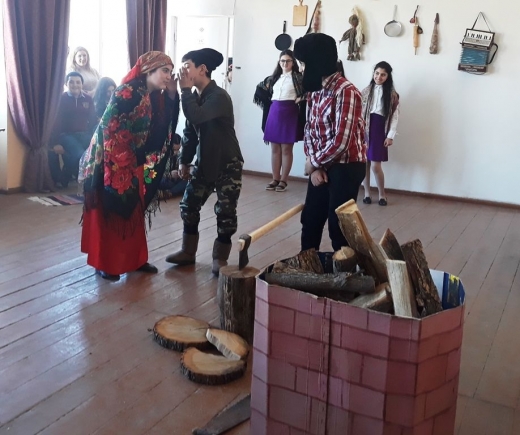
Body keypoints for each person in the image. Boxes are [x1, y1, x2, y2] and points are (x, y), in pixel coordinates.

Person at [80, 51, 180, 281]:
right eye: (165, 71)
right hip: (110, 162)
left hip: (131, 161)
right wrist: (122, 163)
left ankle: (134, 260)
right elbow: (109, 128)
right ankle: (105, 263)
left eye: (170, 72)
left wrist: (172, 94)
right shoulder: (127, 91)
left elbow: (161, 128)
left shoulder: (152, 95)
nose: (169, 76)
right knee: (110, 211)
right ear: (149, 70)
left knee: (134, 210)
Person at [165, 48, 243, 276]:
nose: (182, 72)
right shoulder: (195, 97)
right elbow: (190, 132)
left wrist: (184, 91)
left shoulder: (219, 96)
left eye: (186, 66)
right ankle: (188, 252)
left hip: (228, 163)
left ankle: (220, 258)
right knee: (189, 204)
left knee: (226, 211)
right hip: (205, 161)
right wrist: (184, 161)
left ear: (202, 69)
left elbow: (196, 116)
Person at [294, 33, 367, 252]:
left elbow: (341, 142)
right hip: (321, 162)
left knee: (339, 227)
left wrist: (313, 163)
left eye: (304, 64)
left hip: (346, 166)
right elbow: (310, 129)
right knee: (310, 219)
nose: (301, 69)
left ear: (316, 62)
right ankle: (308, 264)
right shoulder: (315, 90)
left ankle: (343, 269)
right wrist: (314, 164)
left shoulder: (347, 92)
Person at [254, 50, 305, 192]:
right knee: (274, 148)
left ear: (293, 62)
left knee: (286, 149)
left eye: (288, 61)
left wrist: (301, 98)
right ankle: (275, 178)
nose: (285, 63)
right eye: (282, 61)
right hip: (274, 112)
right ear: (279, 62)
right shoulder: (273, 78)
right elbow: (261, 89)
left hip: (289, 112)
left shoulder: (299, 78)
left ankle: (284, 180)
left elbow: (310, 90)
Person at [49, 72, 98, 187]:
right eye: (71, 82)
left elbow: (92, 119)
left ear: (82, 84)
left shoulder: (88, 99)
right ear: (66, 84)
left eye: (78, 82)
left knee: (95, 153)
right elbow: (56, 122)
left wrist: (95, 136)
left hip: (84, 134)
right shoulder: (61, 99)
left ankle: (67, 173)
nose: (75, 85)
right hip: (66, 135)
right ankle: (68, 174)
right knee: (80, 155)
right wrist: (55, 142)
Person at [361, 61, 399, 206]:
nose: (379, 77)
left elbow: (395, 116)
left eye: (383, 74)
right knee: (364, 164)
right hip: (365, 129)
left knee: (375, 165)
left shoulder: (392, 95)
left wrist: (390, 136)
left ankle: (382, 194)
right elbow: (358, 112)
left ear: (388, 76)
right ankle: (366, 193)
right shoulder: (365, 91)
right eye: (377, 73)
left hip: (379, 129)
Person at [158, 133, 189, 199]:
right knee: (158, 183)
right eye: (174, 149)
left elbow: (181, 168)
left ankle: (168, 193)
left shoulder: (178, 155)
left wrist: (181, 172)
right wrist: (169, 175)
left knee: (188, 181)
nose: (176, 152)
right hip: (163, 180)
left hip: (172, 181)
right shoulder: (160, 155)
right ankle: (173, 191)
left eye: (178, 149)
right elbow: (155, 175)